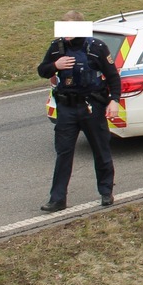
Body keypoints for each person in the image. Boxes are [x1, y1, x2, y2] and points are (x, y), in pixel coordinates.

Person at [36, 11, 121, 211]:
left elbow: (112, 77)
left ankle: (106, 191)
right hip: (66, 108)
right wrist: (55, 65)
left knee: (101, 150)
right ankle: (58, 199)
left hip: (91, 106)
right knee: (63, 153)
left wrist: (114, 101)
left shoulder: (96, 47)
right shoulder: (57, 48)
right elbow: (42, 70)